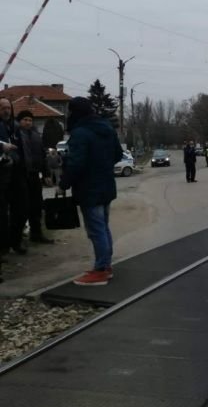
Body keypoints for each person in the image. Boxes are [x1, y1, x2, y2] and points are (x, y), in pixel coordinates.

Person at [57, 97, 124, 286]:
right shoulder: (107, 128)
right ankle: (105, 265)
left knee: (96, 230)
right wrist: (102, 166)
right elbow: (118, 154)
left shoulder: (80, 133)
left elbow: (75, 163)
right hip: (106, 185)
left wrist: (63, 184)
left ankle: (101, 270)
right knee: (103, 227)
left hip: (89, 189)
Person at [17, 110, 53, 244]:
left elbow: (42, 157)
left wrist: (46, 174)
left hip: (34, 175)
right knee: (22, 207)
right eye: (25, 119)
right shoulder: (16, 135)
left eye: (30, 120)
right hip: (21, 176)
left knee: (37, 206)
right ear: (19, 121)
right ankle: (17, 238)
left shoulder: (36, 136)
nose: (28, 122)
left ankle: (36, 234)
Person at [0, 97, 27, 256]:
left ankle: (15, 241)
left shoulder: (16, 127)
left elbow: (23, 149)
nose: (6, 110)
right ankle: (3, 247)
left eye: (8, 107)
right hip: (2, 172)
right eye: (2, 107)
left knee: (22, 208)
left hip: (17, 172)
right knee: (2, 214)